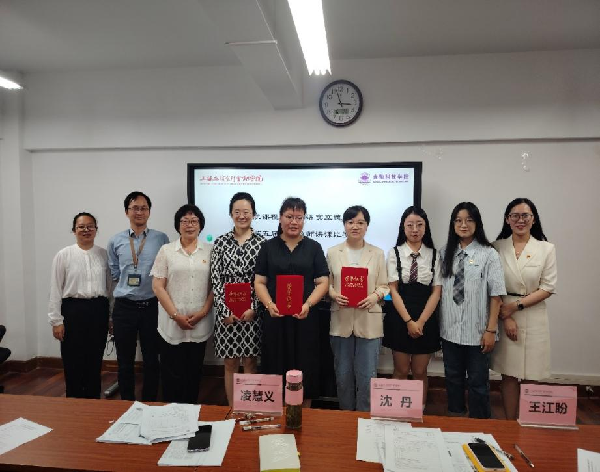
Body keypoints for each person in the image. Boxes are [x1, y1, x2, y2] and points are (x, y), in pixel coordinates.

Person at [254, 197, 329, 406]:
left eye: (299, 217)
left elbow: (323, 281)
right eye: (289, 216)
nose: (294, 222)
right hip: (275, 318)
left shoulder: (314, 247)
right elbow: (259, 281)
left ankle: (306, 415)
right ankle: (276, 411)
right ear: (280, 218)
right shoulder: (268, 247)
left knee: (307, 365)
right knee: (275, 364)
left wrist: (308, 305)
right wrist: (269, 305)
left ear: (304, 220)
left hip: (305, 318)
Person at [491, 198, 557, 420]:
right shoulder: (497, 247)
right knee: (509, 374)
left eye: (525, 216)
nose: (520, 220)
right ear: (507, 219)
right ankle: (510, 423)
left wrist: (515, 306)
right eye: (515, 216)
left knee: (532, 375)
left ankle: (529, 423)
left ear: (533, 219)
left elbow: (548, 287)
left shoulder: (546, 248)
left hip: (534, 314)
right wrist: (507, 316)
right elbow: (493, 284)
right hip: (504, 311)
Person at [439, 202, 506, 419]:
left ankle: (480, 426)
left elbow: (496, 295)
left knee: (478, 383)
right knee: (452, 379)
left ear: (477, 223)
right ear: (453, 224)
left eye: (469, 220)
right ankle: (456, 420)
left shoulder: (489, 254)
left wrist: (491, 330)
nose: (463, 224)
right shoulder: (444, 253)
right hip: (450, 332)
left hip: (478, 333)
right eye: (458, 220)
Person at [107, 191, 169, 401]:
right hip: (124, 307)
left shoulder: (161, 239)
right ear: (127, 212)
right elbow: (115, 273)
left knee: (152, 358)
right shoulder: (115, 241)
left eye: (144, 208)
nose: (139, 212)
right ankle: (126, 402)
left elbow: (165, 270)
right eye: (135, 208)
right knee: (124, 360)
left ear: (149, 212)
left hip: (152, 305)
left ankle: (150, 400)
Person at [327, 205, 389, 411]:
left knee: (367, 376)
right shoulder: (333, 252)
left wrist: (374, 296)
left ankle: (364, 418)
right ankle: (346, 417)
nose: (355, 226)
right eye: (351, 222)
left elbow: (384, 286)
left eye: (360, 222)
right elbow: (326, 284)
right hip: (341, 321)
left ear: (367, 226)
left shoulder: (377, 253)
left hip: (369, 320)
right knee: (343, 375)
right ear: (344, 225)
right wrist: (333, 294)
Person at [150, 204, 214, 404]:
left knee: (194, 373)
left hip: (199, 323)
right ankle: (171, 413)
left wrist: (203, 312)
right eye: (184, 221)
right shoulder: (166, 250)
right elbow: (158, 286)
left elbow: (215, 286)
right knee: (171, 374)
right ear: (178, 225)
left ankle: (190, 412)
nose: (189, 225)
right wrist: (176, 315)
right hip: (172, 325)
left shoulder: (210, 251)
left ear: (200, 225)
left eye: (194, 221)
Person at [382, 206, 441, 407]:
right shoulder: (394, 253)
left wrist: (420, 322)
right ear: (403, 227)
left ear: (426, 227)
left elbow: (436, 292)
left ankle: (418, 411)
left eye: (419, 225)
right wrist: (409, 321)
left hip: (426, 318)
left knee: (419, 371)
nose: (415, 229)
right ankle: (394, 412)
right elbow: (393, 290)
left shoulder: (435, 255)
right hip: (400, 317)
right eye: (410, 225)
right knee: (400, 370)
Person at [48, 212, 111, 399]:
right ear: (74, 230)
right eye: (81, 226)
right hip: (73, 310)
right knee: (72, 359)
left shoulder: (104, 255)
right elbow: (55, 289)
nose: (86, 230)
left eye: (90, 226)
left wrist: (110, 316)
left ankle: (92, 400)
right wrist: (56, 321)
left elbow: (110, 287)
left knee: (95, 358)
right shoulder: (64, 255)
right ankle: (74, 401)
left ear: (96, 230)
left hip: (98, 309)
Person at [210, 192, 265, 406]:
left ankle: (248, 406)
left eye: (246, 212)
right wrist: (225, 311)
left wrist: (254, 308)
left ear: (254, 213)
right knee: (230, 362)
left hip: (252, 312)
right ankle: (233, 408)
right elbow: (216, 280)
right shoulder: (221, 242)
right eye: (237, 212)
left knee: (251, 361)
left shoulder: (262, 243)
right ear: (231, 214)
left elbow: (263, 281)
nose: (242, 216)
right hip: (227, 314)